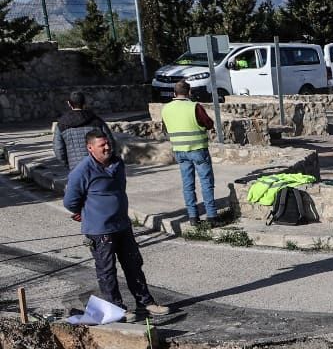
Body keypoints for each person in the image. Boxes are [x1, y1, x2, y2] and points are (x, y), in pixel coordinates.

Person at [62, 129, 169, 318]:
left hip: (122, 225)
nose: (107, 147)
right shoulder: (82, 171)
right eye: (102, 145)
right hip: (100, 230)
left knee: (133, 265)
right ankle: (117, 309)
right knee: (107, 270)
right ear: (90, 148)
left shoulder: (117, 163)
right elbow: (70, 201)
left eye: (108, 143)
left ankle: (146, 303)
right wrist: (86, 212)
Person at [159, 80, 218, 223]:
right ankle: (211, 216)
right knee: (206, 182)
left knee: (187, 184)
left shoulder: (166, 109)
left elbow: (165, 129)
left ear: (174, 93)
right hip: (198, 150)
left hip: (179, 151)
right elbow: (208, 123)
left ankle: (193, 216)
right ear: (189, 92)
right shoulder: (194, 107)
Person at [52, 90, 119, 170]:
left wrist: (68, 163)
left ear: (69, 104)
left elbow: (58, 149)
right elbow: (110, 142)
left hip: (76, 168)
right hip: (98, 166)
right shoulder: (96, 121)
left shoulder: (61, 124)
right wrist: (107, 160)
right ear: (85, 103)